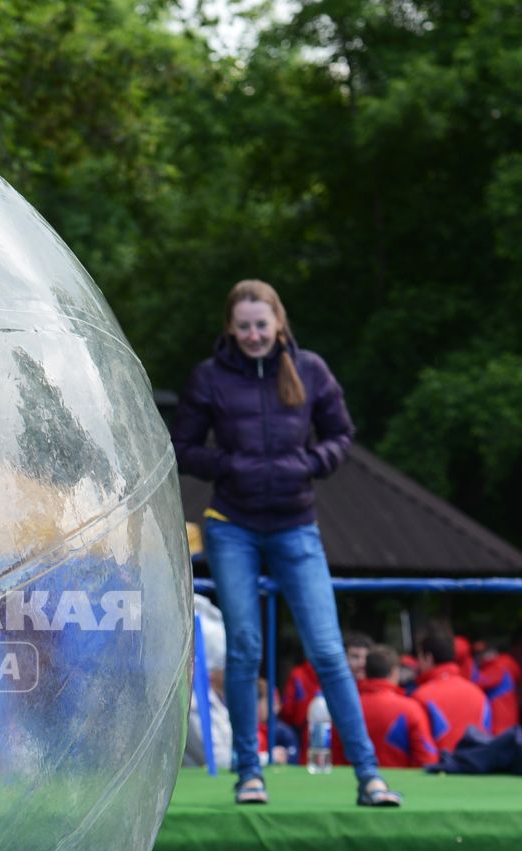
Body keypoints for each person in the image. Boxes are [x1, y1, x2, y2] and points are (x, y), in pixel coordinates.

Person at [170, 279, 401, 807]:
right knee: (245, 646)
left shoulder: (311, 370)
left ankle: (370, 777)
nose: (254, 334)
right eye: (244, 326)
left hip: (297, 526)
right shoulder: (210, 377)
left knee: (326, 648)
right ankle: (250, 774)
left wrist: (308, 464)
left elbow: (342, 435)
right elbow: (182, 445)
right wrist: (230, 464)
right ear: (231, 327)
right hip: (231, 525)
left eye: (262, 325)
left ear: (279, 324)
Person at [330, 644, 438, 769]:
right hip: (401, 785)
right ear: (394, 672)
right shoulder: (410, 709)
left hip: (357, 783)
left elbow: (336, 760)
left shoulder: (345, 709)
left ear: (366, 671)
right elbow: (428, 759)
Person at [412, 622, 492, 752]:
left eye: (419, 656)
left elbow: (424, 750)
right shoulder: (478, 693)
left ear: (429, 657)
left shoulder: (420, 696)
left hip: (439, 769)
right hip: (475, 769)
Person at [474, 637, 520, 735]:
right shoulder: (507, 663)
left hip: (499, 719)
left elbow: (479, 683)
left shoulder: (497, 666)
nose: (479, 658)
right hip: (508, 716)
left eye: (480, 654)